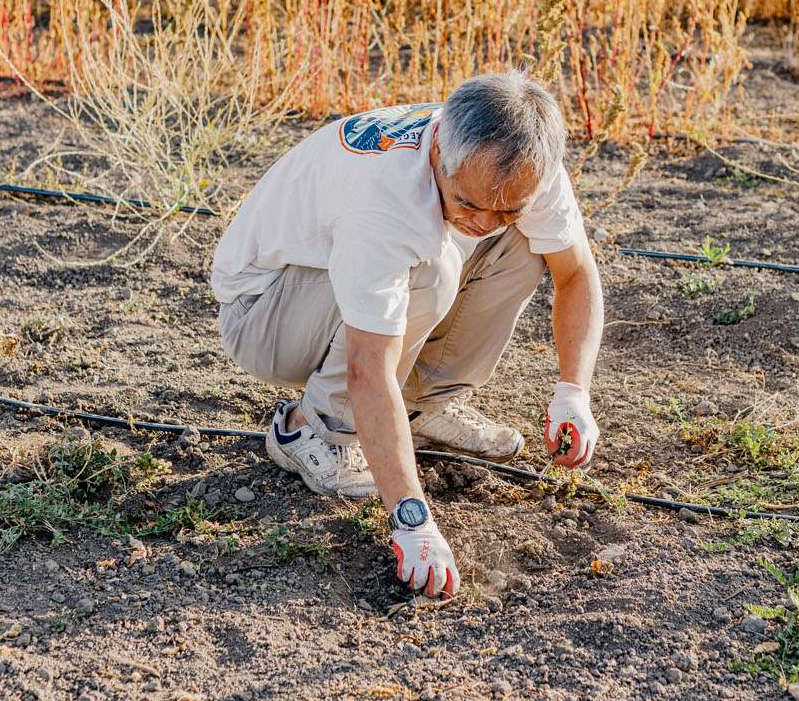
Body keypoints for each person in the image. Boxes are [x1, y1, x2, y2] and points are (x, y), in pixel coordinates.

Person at [212, 71, 604, 600]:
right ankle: (317, 427)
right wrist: (412, 519)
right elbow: (368, 368)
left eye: (507, 207)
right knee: (430, 273)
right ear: (440, 148)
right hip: (265, 313)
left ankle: (421, 408)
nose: (486, 222)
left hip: (339, 283)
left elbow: (576, 273)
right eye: (468, 203)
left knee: (526, 246)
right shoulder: (383, 201)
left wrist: (573, 393)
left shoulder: (520, 162)